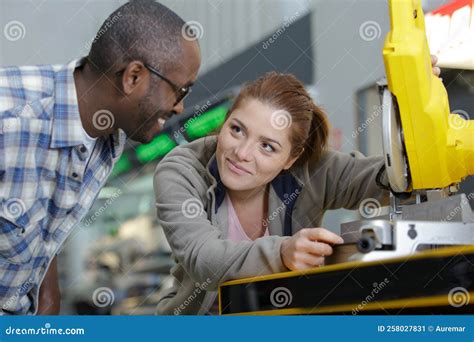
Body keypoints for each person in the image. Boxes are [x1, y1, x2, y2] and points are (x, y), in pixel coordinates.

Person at [153, 57, 441, 315]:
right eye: (237, 129)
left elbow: (392, 178)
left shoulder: (310, 170)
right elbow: (204, 261)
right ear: (225, 122)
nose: (242, 153)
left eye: (267, 146)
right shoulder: (181, 170)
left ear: (291, 158)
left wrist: (417, 111)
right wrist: (280, 253)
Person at [0, 0, 200, 315]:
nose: (179, 108)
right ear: (133, 77)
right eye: (181, 91)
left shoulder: (107, 141)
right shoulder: (10, 117)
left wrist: (47, 305)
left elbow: (42, 230)